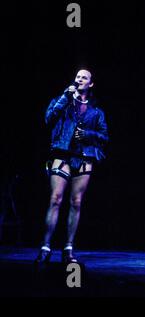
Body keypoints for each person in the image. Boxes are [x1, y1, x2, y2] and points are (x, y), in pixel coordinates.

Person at [35, 69, 108, 264]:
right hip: (62, 153)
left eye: (84, 77)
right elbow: (48, 119)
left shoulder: (96, 111)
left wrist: (88, 135)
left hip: (84, 157)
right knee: (55, 198)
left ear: (91, 84)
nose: (79, 79)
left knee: (76, 202)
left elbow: (104, 137)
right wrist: (64, 97)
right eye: (77, 77)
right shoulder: (62, 101)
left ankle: (68, 249)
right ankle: (45, 246)